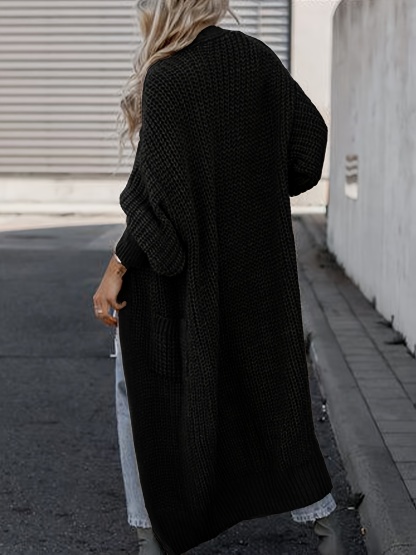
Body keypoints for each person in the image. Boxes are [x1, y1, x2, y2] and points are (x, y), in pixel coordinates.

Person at [93, 1, 346, 554]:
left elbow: (156, 205)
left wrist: (116, 267)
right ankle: (327, 528)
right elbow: (309, 145)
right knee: (272, 397)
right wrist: (251, 191)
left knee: (144, 394)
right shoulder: (257, 57)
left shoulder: (168, 76)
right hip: (256, 271)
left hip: (176, 281)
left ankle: (151, 536)